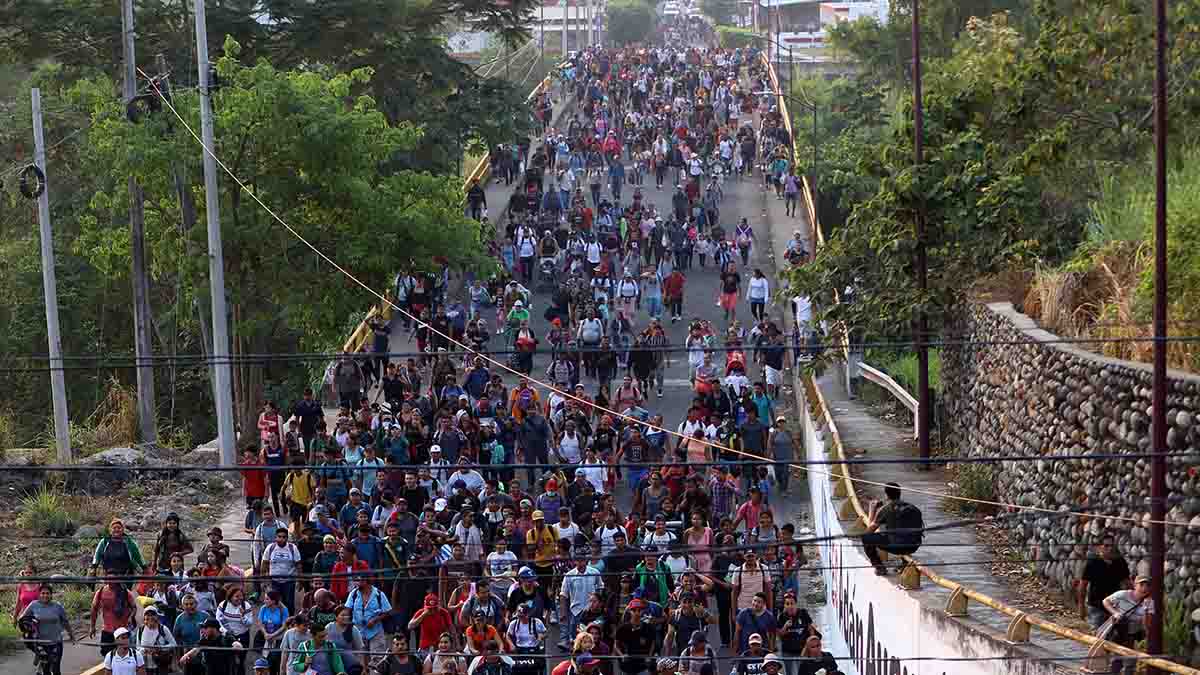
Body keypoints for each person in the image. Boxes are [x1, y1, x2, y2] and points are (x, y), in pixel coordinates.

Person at [861, 482, 924, 575]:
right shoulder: (914, 508)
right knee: (903, 533)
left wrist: (872, 510)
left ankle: (879, 567)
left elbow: (869, 531)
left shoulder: (885, 509)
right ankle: (904, 563)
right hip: (914, 545)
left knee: (866, 538)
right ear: (899, 493)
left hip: (896, 547)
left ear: (886, 495)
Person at [18, 584, 76, 675]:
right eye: (43, 593)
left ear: (51, 595)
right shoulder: (34, 605)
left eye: (47, 593)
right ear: (39, 594)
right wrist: (28, 625)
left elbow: (65, 622)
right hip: (41, 644)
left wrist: (71, 635)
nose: (45, 595)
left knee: (56, 669)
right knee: (46, 671)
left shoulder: (57, 606)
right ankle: (41, 665)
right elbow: (22, 619)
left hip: (56, 643)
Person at [1078, 536, 1131, 630]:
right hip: (1096, 605)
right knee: (1097, 634)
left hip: (1115, 605)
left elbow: (1127, 584)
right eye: (1106, 546)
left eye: (1111, 546)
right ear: (1099, 547)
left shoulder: (1120, 563)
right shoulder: (1092, 563)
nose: (1109, 549)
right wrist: (1081, 606)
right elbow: (1083, 585)